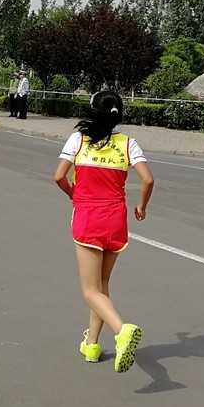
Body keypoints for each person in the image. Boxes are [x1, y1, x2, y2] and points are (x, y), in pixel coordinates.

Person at [53, 91, 154, 373]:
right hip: (116, 219)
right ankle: (93, 344)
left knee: (89, 290)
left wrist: (75, 195)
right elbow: (148, 179)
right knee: (102, 286)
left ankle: (122, 331)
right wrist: (142, 207)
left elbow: (59, 176)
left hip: (88, 217)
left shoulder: (79, 140)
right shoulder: (128, 144)